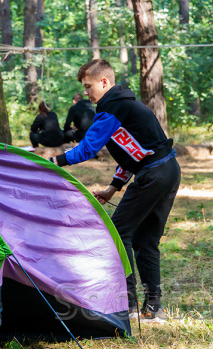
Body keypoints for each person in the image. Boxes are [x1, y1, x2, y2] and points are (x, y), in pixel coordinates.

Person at [50, 59, 180, 322]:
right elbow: (134, 154)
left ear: (104, 82)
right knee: (145, 241)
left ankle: (127, 304)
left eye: (88, 86)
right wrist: (113, 188)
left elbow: (87, 148)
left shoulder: (111, 107)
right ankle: (153, 309)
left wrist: (53, 162)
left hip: (154, 174)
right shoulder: (124, 105)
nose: (86, 93)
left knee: (116, 233)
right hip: (168, 170)